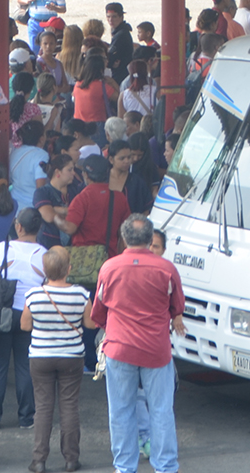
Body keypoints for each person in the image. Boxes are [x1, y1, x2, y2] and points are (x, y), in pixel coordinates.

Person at [90, 214, 187, 473]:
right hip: (156, 349)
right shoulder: (166, 269)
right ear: (150, 238)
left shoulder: (109, 268)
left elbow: (98, 313)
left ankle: (124, 467)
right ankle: (165, 466)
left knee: (121, 412)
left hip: (119, 348)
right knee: (161, 411)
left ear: (123, 238)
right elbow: (177, 307)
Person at [22, 247, 93, 473]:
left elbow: (25, 325)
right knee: (69, 406)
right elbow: (91, 324)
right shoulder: (81, 294)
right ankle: (71, 458)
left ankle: (39, 460)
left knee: (43, 408)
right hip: (72, 356)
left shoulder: (33, 295)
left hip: (41, 356)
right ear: (68, 269)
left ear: (44, 270)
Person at [0, 208, 46, 432]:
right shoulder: (43, 254)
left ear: (18, 226)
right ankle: (26, 418)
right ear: (39, 228)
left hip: (1, 313)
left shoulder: (1, 249)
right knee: (25, 366)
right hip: (29, 315)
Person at [34, 154, 77, 249]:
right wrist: (71, 211)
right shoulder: (42, 192)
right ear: (58, 172)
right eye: (69, 170)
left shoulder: (76, 190)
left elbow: (83, 213)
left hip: (73, 245)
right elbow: (49, 216)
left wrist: (56, 209)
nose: (73, 173)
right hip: (48, 244)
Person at [105, 2, 134, 84]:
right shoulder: (119, 31)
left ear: (121, 17)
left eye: (114, 16)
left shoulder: (121, 35)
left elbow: (110, 58)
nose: (111, 20)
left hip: (121, 76)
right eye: (108, 17)